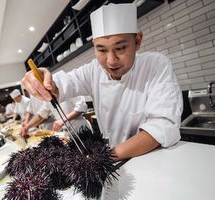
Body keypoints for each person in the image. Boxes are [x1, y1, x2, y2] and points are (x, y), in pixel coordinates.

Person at [22, 3, 183, 161]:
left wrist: (105, 158)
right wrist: (44, 80)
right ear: (94, 47)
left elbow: (162, 126)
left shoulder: (156, 65)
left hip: (154, 156)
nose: (111, 61)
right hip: (113, 161)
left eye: (120, 48)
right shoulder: (93, 71)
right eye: (102, 50)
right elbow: (63, 84)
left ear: (137, 41)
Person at [21, 96, 89, 136]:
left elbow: (81, 108)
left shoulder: (68, 88)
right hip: (65, 132)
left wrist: (63, 120)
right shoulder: (48, 98)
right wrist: (27, 127)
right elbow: (41, 114)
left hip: (80, 128)